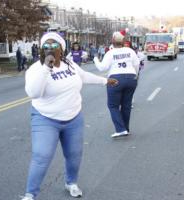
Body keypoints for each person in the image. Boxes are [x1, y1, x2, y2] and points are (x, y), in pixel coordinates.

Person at [22, 32, 118, 200]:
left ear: (62, 48)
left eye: (54, 46)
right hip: (46, 119)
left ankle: (71, 183)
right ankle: (30, 194)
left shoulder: (70, 65)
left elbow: (84, 76)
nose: (50, 49)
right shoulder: (36, 69)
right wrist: (46, 68)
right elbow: (33, 93)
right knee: (41, 156)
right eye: (46, 46)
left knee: (74, 154)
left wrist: (105, 81)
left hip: (73, 118)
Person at [94, 31, 140, 138]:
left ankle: (120, 129)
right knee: (126, 105)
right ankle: (125, 128)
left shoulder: (110, 53)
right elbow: (136, 64)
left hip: (116, 78)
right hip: (131, 77)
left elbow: (102, 68)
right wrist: (136, 75)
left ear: (112, 41)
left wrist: (96, 59)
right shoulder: (130, 51)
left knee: (113, 105)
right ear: (123, 41)